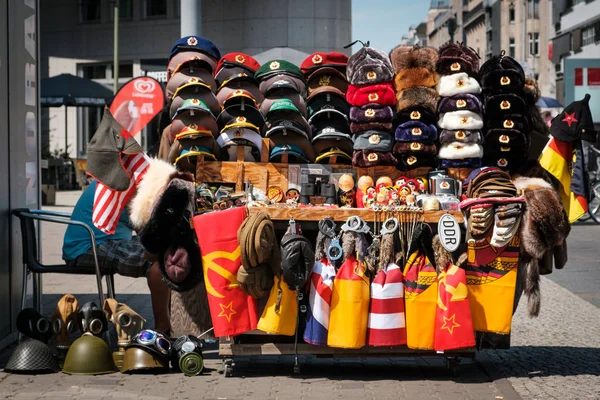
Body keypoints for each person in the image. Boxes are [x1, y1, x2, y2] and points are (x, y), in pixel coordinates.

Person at [62, 179, 171, 334]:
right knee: (159, 262)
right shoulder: (121, 183)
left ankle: (172, 321)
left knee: (168, 252)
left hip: (105, 241)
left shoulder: (118, 178)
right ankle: (163, 328)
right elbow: (145, 230)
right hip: (88, 246)